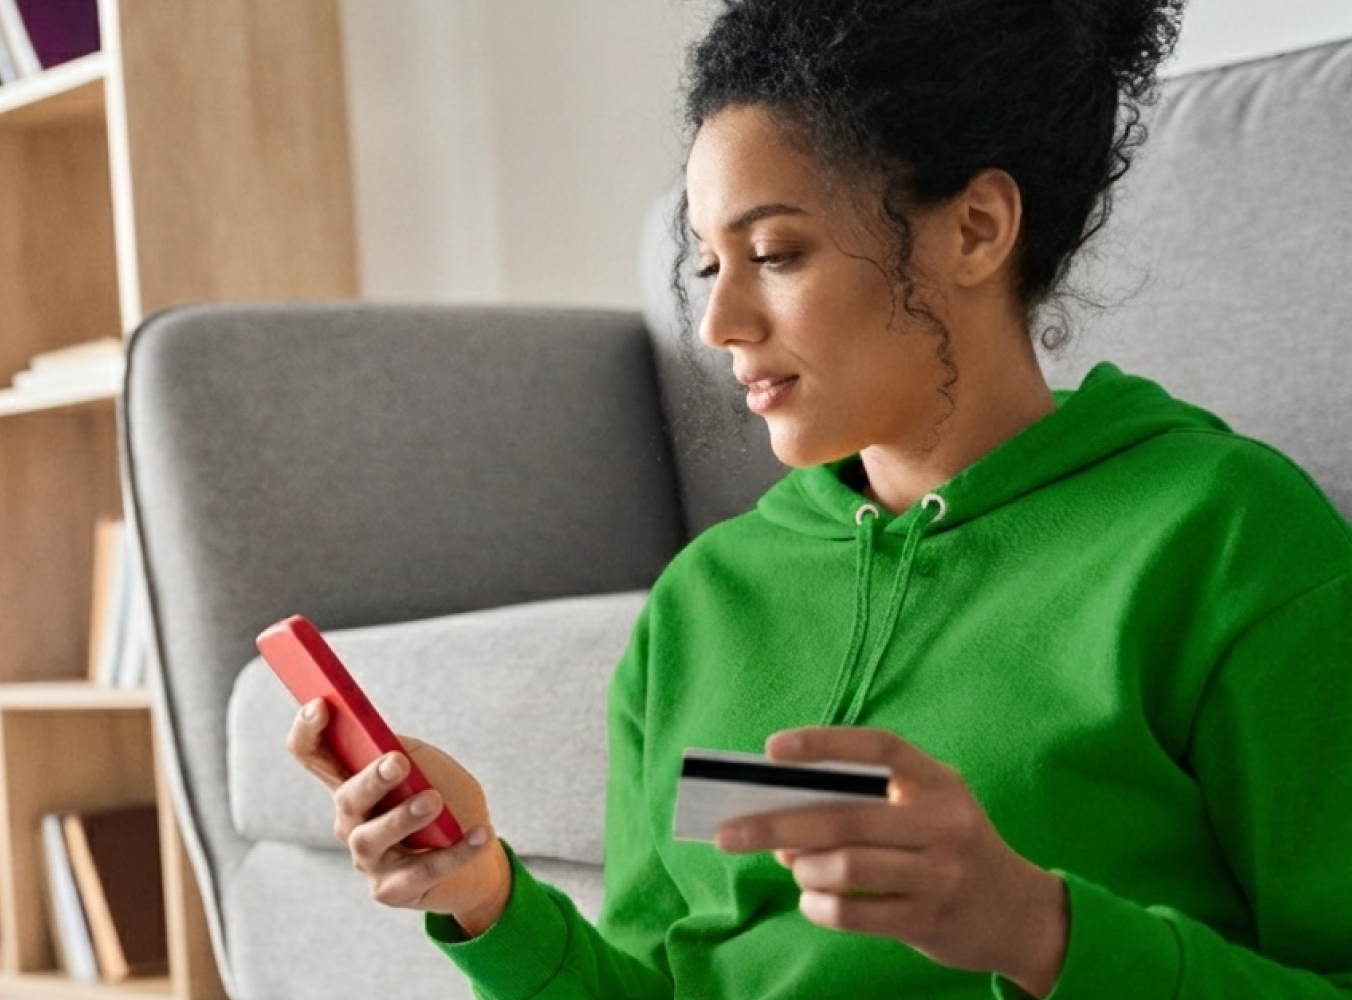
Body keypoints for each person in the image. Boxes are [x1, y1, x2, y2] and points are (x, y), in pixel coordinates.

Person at [288, 0, 1352, 997]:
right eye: (709, 266)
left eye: (773, 253)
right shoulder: (703, 601)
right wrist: (485, 896)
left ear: (975, 228)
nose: (718, 323)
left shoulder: (1224, 539)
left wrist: (1039, 929)